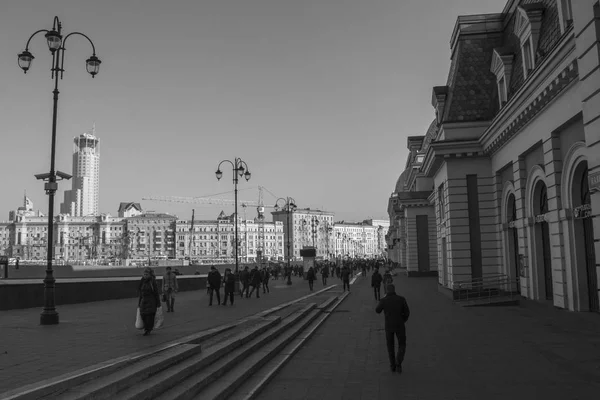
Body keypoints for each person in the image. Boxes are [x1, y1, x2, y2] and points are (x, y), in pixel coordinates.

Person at [375, 284, 410, 373]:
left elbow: (377, 310)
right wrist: (403, 320)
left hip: (389, 327)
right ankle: (398, 361)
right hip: (400, 325)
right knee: (402, 344)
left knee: (390, 346)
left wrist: (382, 300)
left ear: (386, 291)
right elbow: (407, 313)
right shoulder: (401, 299)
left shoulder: (384, 300)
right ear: (394, 290)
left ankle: (392, 366)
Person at [138, 267, 160, 336]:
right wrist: (139, 302)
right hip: (143, 300)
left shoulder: (152, 281)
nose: (145, 275)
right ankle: (147, 328)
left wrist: (158, 302)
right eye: (144, 274)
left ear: (150, 275)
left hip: (151, 301)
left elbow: (156, 292)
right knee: (143, 315)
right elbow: (140, 292)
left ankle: (148, 329)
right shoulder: (142, 281)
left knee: (149, 316)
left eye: (146, 274)